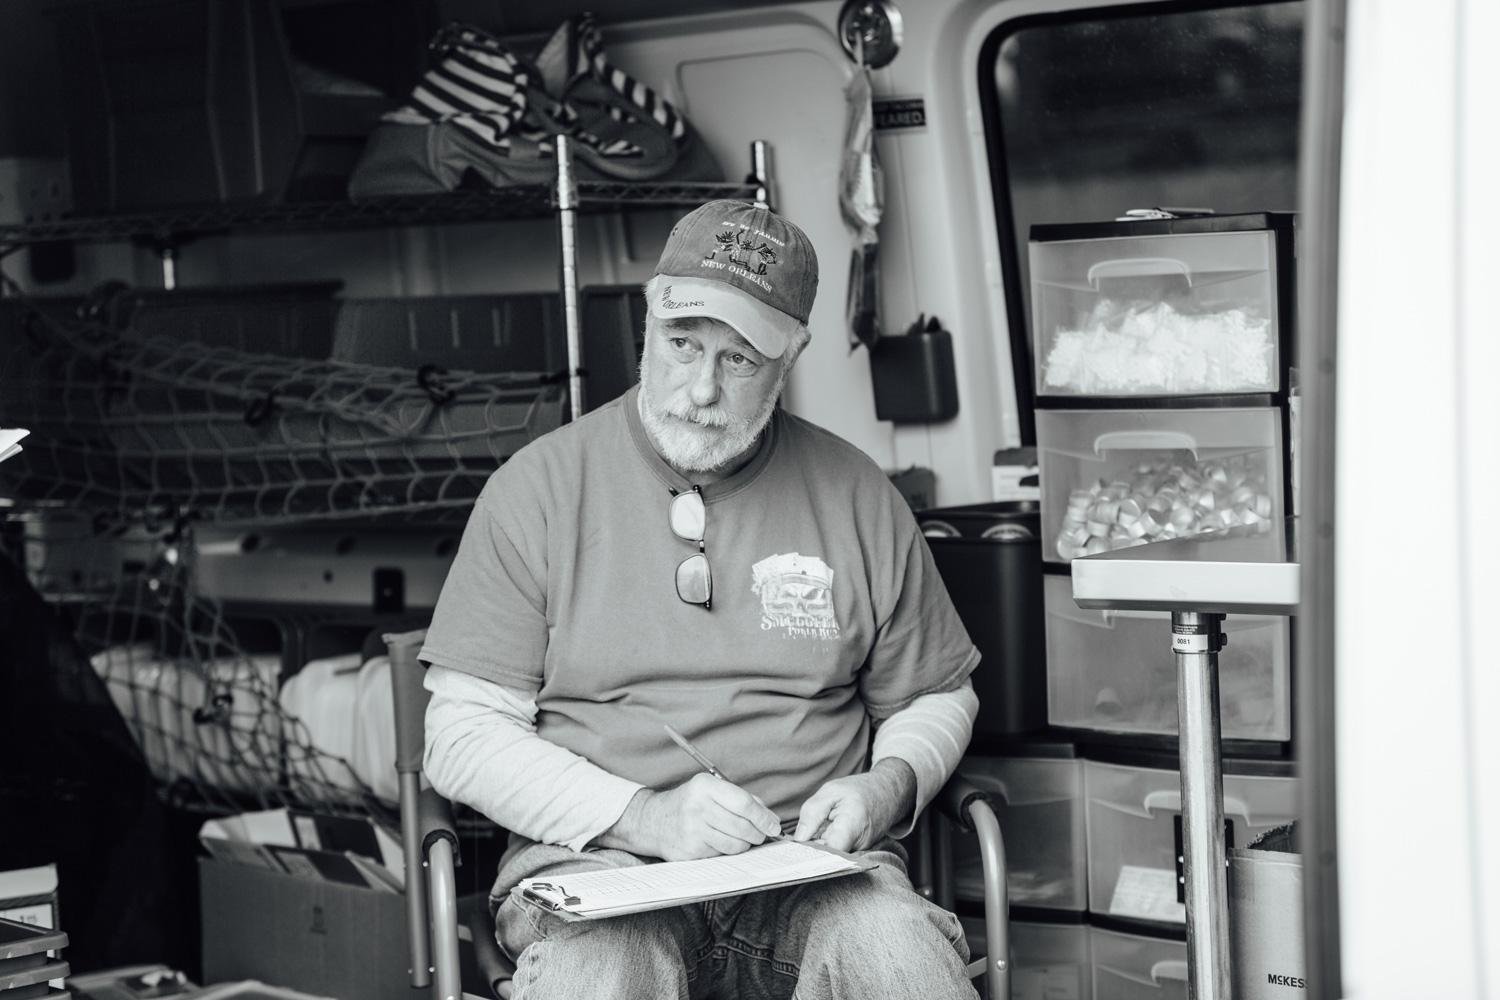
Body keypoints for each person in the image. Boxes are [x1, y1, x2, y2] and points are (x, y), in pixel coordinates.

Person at [420, 199, 982, 999]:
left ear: (791, 359)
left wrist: (887, 785)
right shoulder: (537, 491)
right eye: (682, 345)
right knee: (601, 971)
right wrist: (642, 816)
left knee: (897, 953)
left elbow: (937, 694)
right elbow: (461, 737)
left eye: (739, 360)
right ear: (648, 322)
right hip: (603, 876)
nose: (700, 390)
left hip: (811, 874)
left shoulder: (858, 494)